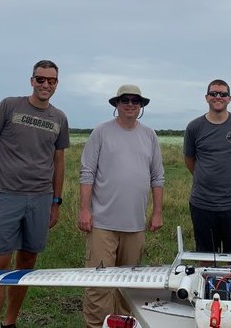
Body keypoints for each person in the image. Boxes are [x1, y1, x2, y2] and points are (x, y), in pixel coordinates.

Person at [0, 60, 70, 328]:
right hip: (5, 195)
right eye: (40, 79)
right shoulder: (9, 106)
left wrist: (56, 202)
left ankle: (10, 322)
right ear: (31, 81)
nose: (45, 85)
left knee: (26, 264)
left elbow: (58, 162)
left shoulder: (59, 118)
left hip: (40, 198)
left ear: (57, 84)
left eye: (51, 81)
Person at [78, 84, 164, 327]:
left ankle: (125, 324)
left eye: (135, 101)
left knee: (128, 286)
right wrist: (85, 210)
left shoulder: (149, 135)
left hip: (135, 225)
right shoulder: (101, 132)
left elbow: (157, 177)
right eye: (124, 100)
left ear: (141, 106)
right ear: (116, 104)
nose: (130, 104)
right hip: (102, 223)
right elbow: (87, 173)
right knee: (99, 285)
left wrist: (157, 212)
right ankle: (96, 325)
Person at [183, 79, 231, 254]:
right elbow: (189, 161)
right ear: (206, 97)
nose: (218, 97)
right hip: (202, 204)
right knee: (206, 257)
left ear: (229, 98)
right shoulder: (194, 127)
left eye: (223, 94)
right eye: (213, 93)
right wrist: (206, 176)